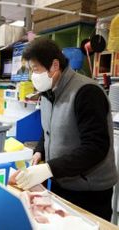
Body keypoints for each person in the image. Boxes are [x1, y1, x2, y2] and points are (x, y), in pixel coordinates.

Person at [8, 38, 118, 221]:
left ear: (54, 66)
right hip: (62, 182)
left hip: (90, 192)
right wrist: (39, 151)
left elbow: (96, 147)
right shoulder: (48, 93)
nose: (32, 76)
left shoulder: (87, 92)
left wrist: (49, 168)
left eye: (35, 69)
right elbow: (48, 128)